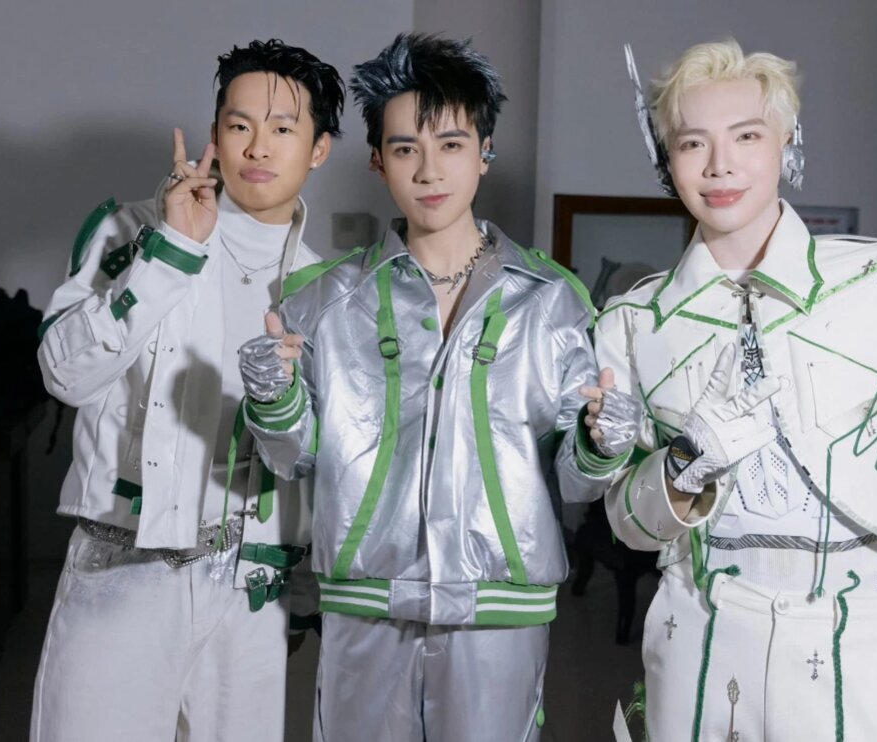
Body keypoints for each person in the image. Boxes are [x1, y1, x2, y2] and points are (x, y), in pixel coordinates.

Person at [598, 39, 877, 742]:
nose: (719, 164)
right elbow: (628, 526)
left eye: (746, 136)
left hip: (867, 662)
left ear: (787, 143)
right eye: (692, 143)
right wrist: (680, 467)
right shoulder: (633, 322)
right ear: (665, 159)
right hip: (695, 657)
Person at [237, 32, 637, 742]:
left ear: (484, 151)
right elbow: (290, 458)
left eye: (451, 144)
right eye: (405, 149)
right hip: (363, 603)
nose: (429, 170)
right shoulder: (323, 300)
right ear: (377, 160)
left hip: (502, 609)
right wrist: (274, 400)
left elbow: (575, 483)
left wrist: (603, 442)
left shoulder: (551, 301)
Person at [31, 39, 344, 742]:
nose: (257, 147)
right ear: (214, 133)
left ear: (319, 148)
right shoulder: (132, 230)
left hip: (251, 590)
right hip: (123, 562)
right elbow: (64, 374)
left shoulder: (324, 288)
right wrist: (171, 253)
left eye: (283, 128)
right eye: (239, 125)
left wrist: (297, 588)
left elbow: (313, 459)